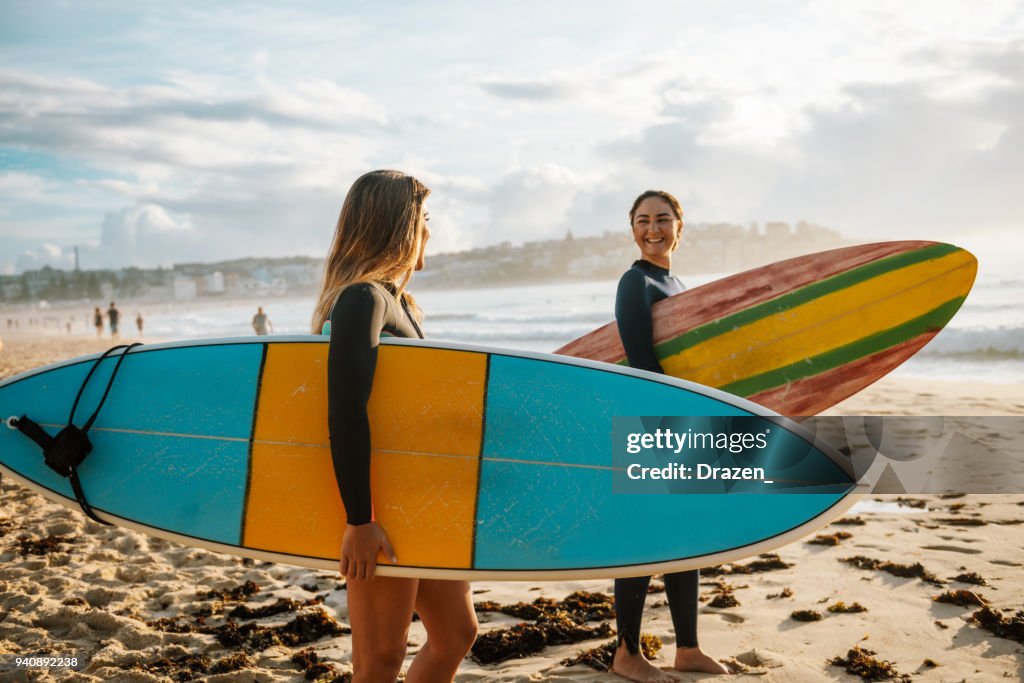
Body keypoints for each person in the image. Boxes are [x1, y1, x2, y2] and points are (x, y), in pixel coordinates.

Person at [310, 170, 477, 683]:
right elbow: (344, 410)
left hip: (419, 497)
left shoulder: (399, 303)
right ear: (400, 225)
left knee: (455, 634)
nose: (430, 231)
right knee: (379, 661)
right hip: (383, 505)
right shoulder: (362, 299)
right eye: (425, 219)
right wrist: (360, 520)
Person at [612, 190, 731, 682]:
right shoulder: (634, 282)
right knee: (644, 537)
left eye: (663, 219)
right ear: (632, 229)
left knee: (687, 534)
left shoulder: (674, 282)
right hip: (651, 421)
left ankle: (687, 648)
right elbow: (641, 362)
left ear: (681, 225)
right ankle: (626, 653)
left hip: (682, 418)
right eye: (643, 220)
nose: (653, 228)